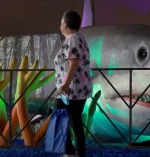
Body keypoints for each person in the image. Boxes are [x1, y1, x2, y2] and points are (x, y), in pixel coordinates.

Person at [54, 10, 92, 157]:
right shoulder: (78, 38)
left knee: (59, 119)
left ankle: (70, 152)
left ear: (66, 24)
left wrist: (65, 85)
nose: (60, 25)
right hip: (76, 89)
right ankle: (76, 153)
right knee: (74, 122)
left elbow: (73, 62)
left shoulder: (73, 39)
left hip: (71, 90)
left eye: (61, 22)